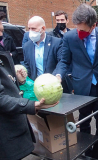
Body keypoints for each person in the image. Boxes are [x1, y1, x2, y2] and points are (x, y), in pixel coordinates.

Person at [0, 22, 58, 159]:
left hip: (12, 125)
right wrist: (32, 105)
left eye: (2, 31)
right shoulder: (27, 46)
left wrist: (17, 79)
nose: (2, 37)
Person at [55, 3, 98, 138]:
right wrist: (58, 75)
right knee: (84, 118)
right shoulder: (69, 37)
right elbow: (64, 61)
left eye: (83, 30)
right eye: (77, 28)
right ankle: (85, 148)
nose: (79, 32)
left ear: (93, 25)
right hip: (81, 86)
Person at [23, 16, 62, 82]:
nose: (30, 31)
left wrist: (57, 76)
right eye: (29, 28)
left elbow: (61, 62)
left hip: (53, 84)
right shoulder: (27, 46)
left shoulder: (56, 43)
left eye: (33, 29)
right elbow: (27, 65)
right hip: (36, 86)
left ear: (43, 29)